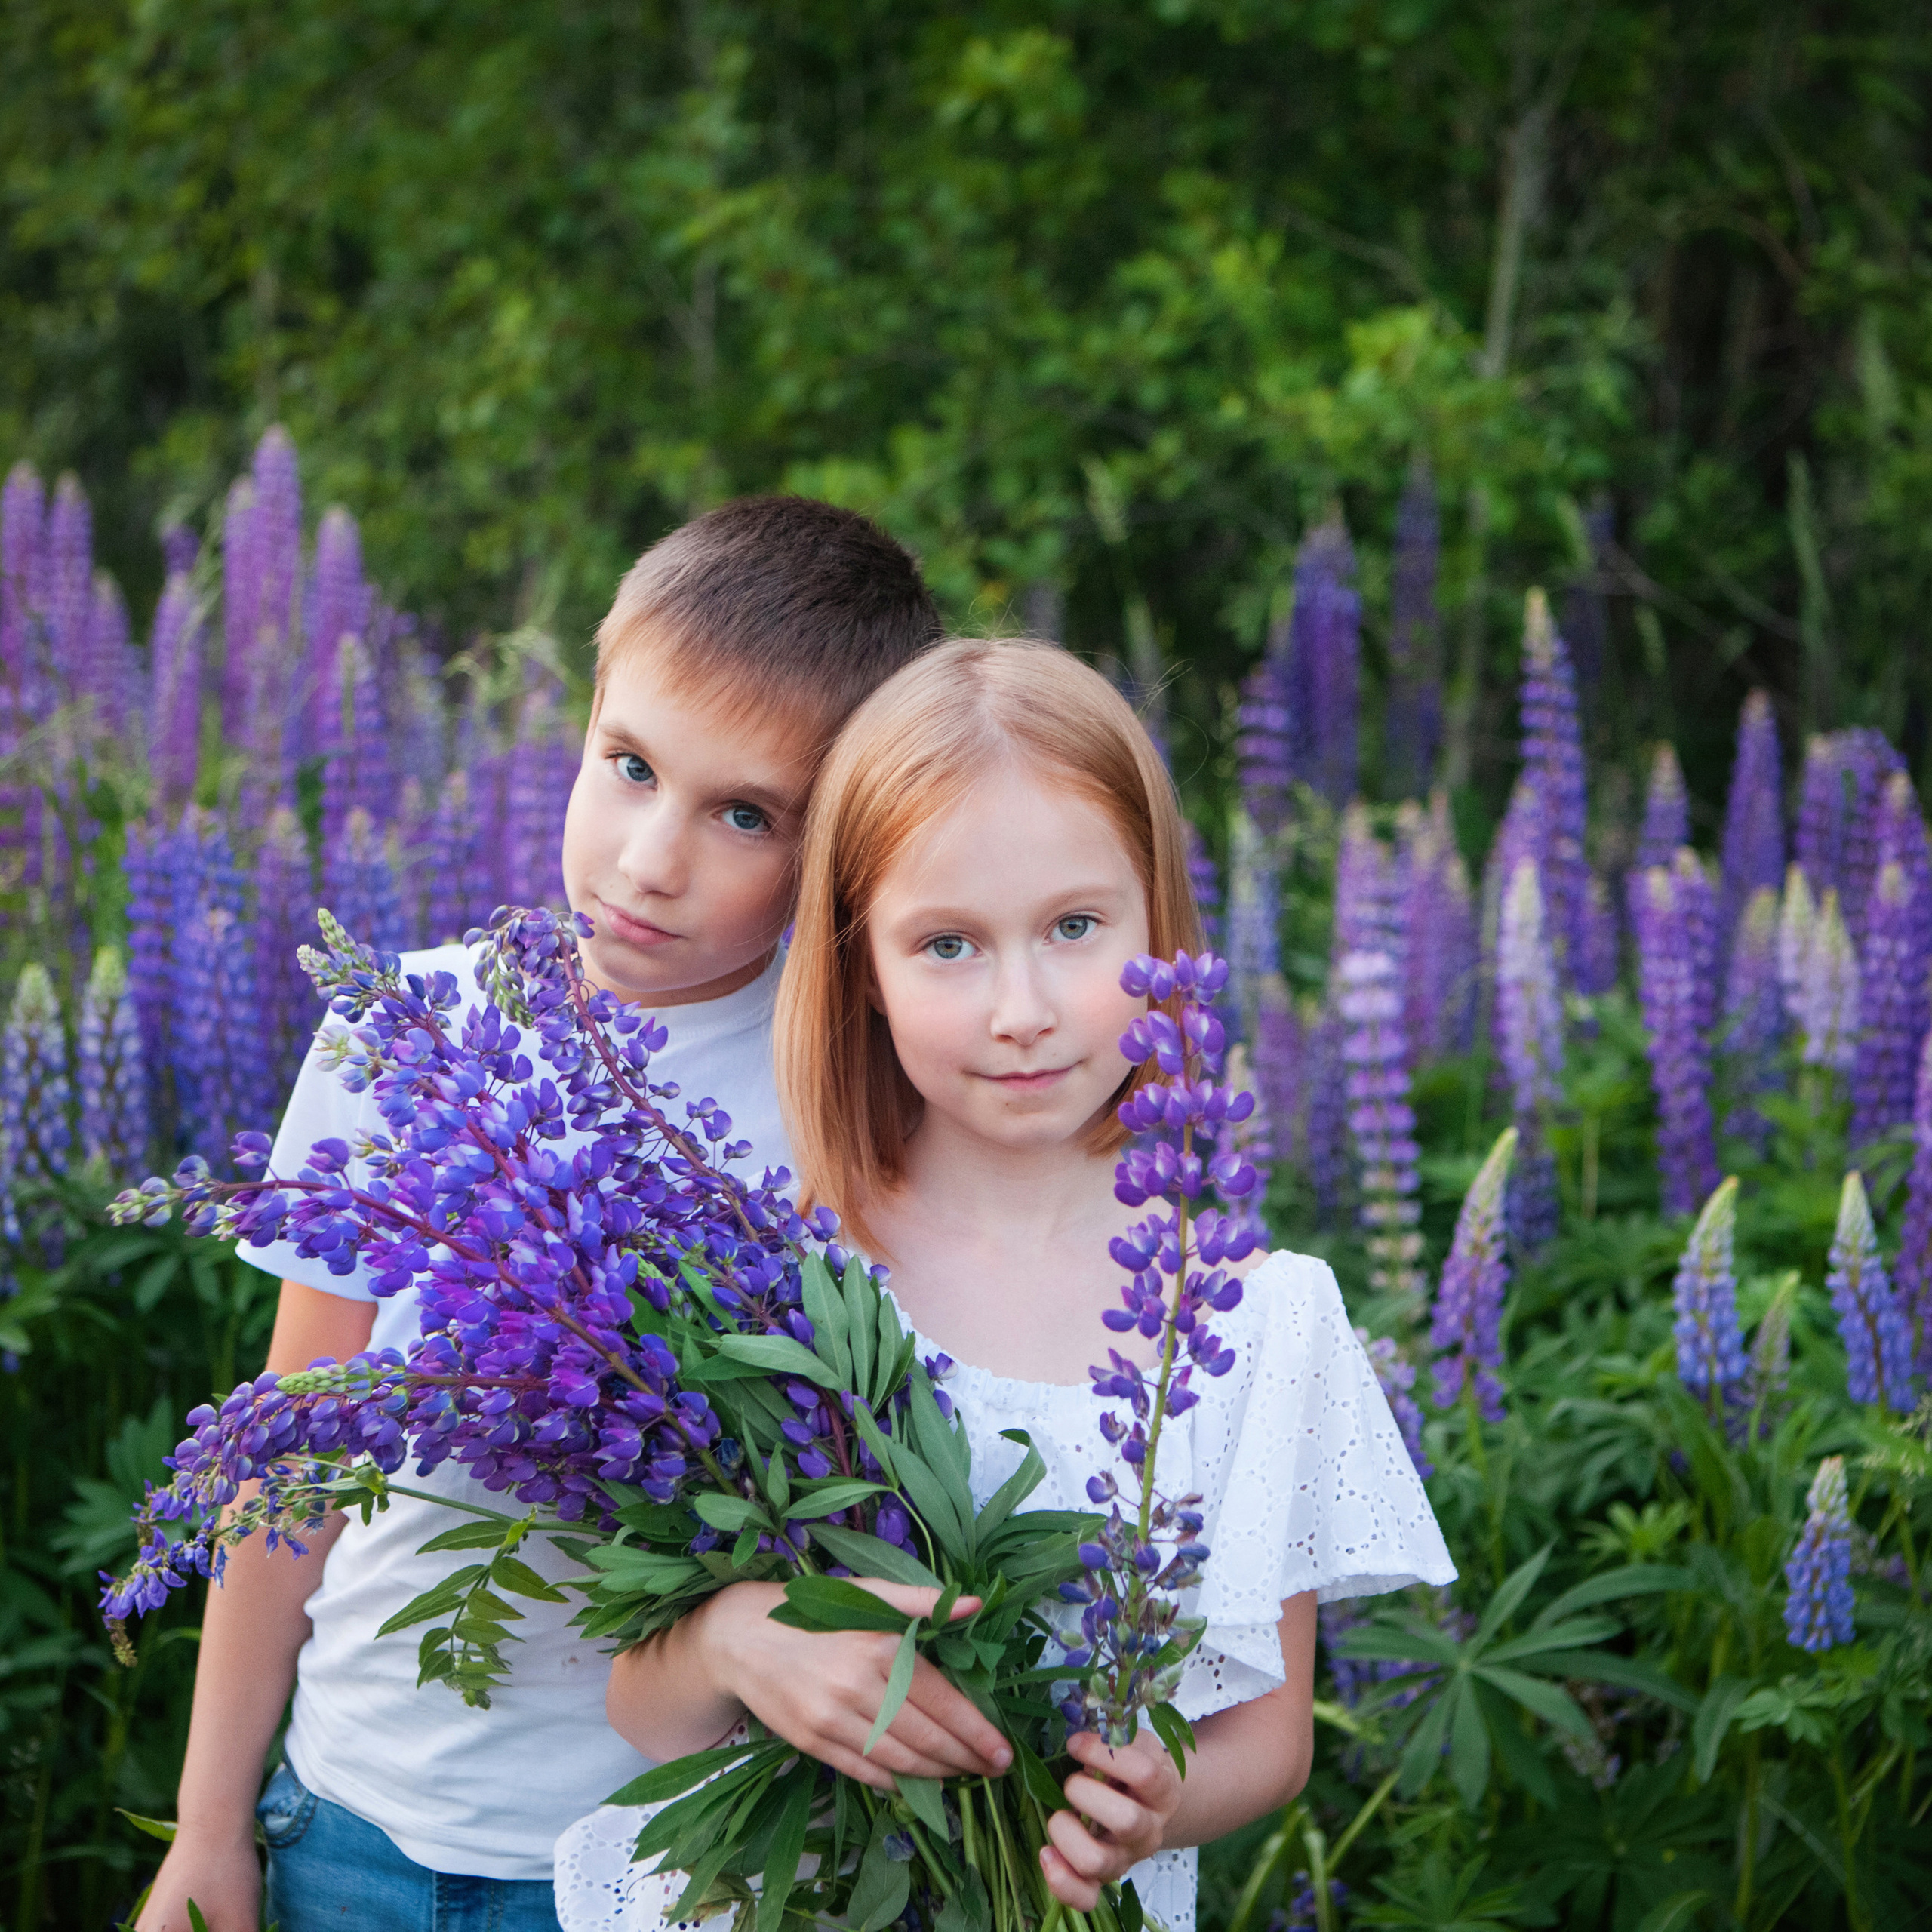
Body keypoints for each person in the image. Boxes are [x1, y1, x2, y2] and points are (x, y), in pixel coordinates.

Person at [554, 639, 1456, 1931]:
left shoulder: (1256, 1319)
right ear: (862, 969)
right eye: (949, 945)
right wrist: (735, 1639)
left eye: (1075, 928)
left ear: (1162, 929)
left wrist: (1157, 1805)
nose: (1021, 1009)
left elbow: (1270, 1742)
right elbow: (646, 1711)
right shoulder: (774, 1279)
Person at [135, 497, 943, 1932]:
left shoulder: (854, 1095)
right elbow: (290, 1456)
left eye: (744, 815)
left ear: (840, 848)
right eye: (629, 766)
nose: (648, 859)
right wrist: (209, 1829)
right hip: (347, 1815)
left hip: (663, 1868)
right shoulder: (403, 1028)